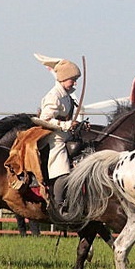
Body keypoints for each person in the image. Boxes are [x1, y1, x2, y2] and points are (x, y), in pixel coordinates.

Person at [33, 53, 82, 211]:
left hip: (66, 136)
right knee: (62, 172)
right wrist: (66, 125)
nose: (74, 83)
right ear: (62, 78)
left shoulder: (66, 95)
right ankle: (58, 204)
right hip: (55, 139)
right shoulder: (54, 96)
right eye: (72, 79)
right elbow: (44, 120)